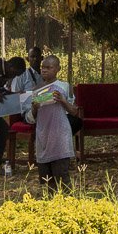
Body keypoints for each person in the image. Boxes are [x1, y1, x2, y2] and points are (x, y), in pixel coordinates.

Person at [28, 54, 76, 192]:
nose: (44, 70)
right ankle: (50, 202)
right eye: (43, 67)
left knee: (62, 174)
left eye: (49, 67)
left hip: (60, 133)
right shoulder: (36, 90)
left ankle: (68, 202)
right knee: (47, 177)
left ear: (57, 69)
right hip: (43, 134)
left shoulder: (64, 87)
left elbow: (74, 111)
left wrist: (63, 100)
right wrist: (34, 108)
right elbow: (31, 117)